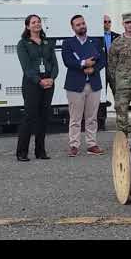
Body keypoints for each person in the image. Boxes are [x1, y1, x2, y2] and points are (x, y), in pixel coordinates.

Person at [61, 15, 106, 157]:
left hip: (93, 84)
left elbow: (103, 60)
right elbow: (67, 61)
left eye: (83, 23)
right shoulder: (68, 43)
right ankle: (74, 145)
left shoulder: (96, 41)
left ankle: (92, 144)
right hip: (75, 85)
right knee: (75, 118)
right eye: (78, 24)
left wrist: (94, 69)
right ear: (73, 28)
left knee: (92, 117)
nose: (81, 26)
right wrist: (83, 64)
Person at [16, 15, 58, 161]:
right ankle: (21, 152)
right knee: (30, 116)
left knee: (43, 117)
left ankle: (40, 151)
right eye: (33, 22)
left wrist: (52, 78)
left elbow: (54, 64)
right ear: (28, 26)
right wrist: (39, 81)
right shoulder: (23, 44)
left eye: (38, 21)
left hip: (48, 83)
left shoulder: (47, 43)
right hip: (32, 84)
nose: (37, 24)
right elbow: (26, 67)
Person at [103, 15, 120, 96]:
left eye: (109, 22)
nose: (107, 23)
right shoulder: (98, 37)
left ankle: (120, 108)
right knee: (102, 94)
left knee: (117, 93)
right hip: (103, 70)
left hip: (114, 70)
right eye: (105, 21)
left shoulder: (117, 37)